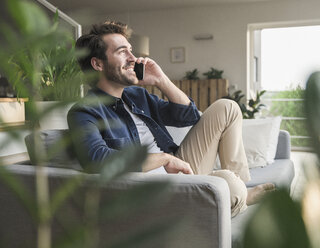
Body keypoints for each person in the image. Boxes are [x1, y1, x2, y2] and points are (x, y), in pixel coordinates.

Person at [68, 21, 275, 217]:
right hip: (153, 191)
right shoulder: (84, 112)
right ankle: (240, 196)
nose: (132, 58)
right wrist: (165, 158)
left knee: (227, 107)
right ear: (97, 64)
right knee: (228, 185)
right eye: (122, 52)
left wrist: (161, 80)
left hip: (180, 169)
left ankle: (239, 190)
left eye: (131, 50)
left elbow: (189, 116)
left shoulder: (137, 96)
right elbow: (98, 161)